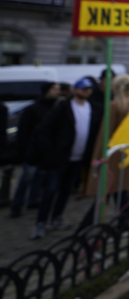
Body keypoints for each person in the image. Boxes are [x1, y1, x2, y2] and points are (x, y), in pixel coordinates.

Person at [29, 77, 101, 239]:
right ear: (74, 90)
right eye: (83, 89)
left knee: (65, 191)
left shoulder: (94, 108)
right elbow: (44, 130)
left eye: (89, 89)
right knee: (50, 191)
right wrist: (51, 151)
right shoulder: (63, 107)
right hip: (60, 158)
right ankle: (40, 222)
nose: (87, 92)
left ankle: (57, 218)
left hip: (78, 158)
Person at [79, 74, 129, 231]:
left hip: (114, 155)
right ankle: (122, 223)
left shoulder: (115, 105)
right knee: (120, 190)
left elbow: (104, 134)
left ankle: (85, 228)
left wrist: (97, 156)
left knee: (106, 191)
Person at [9, 82, 59, 218]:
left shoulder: (54, 108)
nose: (57, 92)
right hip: (33, 151)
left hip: (46, 150)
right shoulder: (33, 109)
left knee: (39, 177)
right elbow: (23, 131)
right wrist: (24, 150)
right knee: (27, 178)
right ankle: (17, 205)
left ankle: (33, 200)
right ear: (47, 90)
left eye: (58, 89)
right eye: (54, 89)